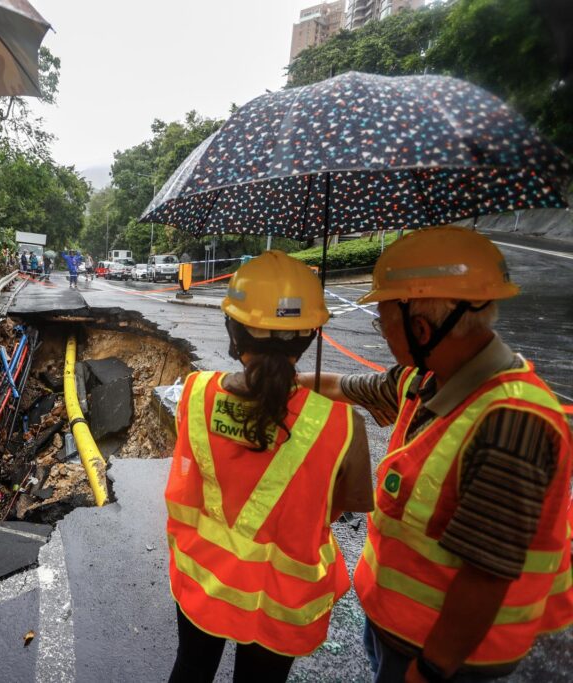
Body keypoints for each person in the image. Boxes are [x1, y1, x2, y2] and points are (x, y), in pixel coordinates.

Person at [299, 226, 573, 682]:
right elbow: (342, 387)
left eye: (382, 322)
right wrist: (276, 384)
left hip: (457, 661)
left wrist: (430, 670)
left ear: (421, 327)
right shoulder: (425, 379)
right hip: (397, 630)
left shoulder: (511, 423)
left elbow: (485, 574)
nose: (383, 335)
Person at [166, 251, 373, 683]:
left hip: (204, 582)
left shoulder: (195, 393)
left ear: (234, 329)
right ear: (309, 336)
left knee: (190, 671)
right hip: (283, 603)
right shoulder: (341, 425)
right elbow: (344, 504)